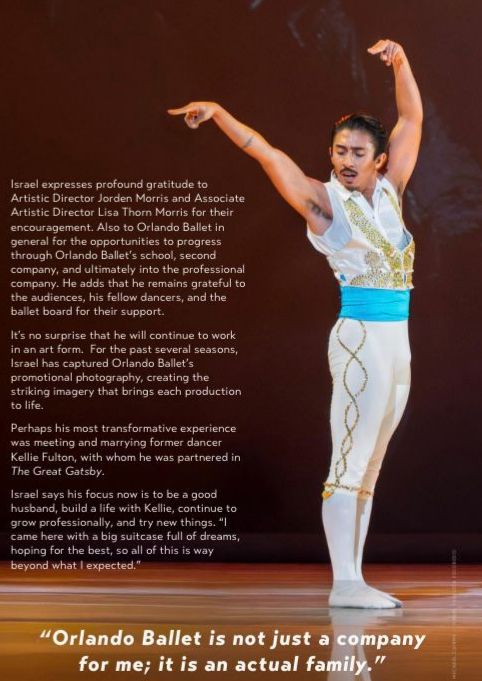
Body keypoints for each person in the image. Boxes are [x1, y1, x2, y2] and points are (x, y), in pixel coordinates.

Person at [168, 39, 423, 608]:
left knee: (370, 466)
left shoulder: (391, 193)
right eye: (339, 151)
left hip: (397, 345)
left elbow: (411, 119)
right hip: (360, 341)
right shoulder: (323, 201)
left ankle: (355, 580)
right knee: (349, 461)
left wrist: (401, 62)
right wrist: (219, 113)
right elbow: (266, 153)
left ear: (379, 160)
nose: (347, 161)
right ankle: (345, 584)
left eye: (358, 152)